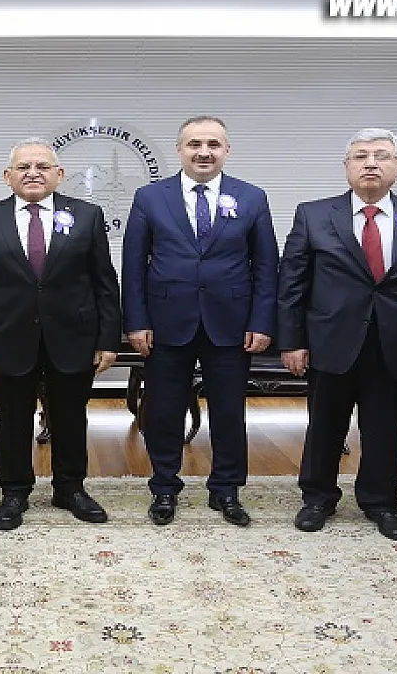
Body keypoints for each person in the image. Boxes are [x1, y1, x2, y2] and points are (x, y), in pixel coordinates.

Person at [277, 128, 397, 540]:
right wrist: (292, 341)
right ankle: (317, 498)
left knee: (384, 429)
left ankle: (381, 503)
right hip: (330, 341)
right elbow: (292, 283)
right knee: (324, 426)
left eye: (381, 156)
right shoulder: (313, 214)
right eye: (360, 156)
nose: (371, 163)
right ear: (347, 166)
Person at [121, 115, 278, 526]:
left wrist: (262, 322)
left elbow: (266, 266)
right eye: (194, 144)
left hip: (232, 324)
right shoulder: (149, 197)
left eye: (213, 144)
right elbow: (133, 266)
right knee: (163, 412)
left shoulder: (252, 197)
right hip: (165, 323)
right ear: (180, 150)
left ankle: (226, 489)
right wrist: (136, 322)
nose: (203, 152)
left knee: (229, 412)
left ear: (227, 150)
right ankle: (164, 488)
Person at [0, 138, 122, 531]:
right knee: (12, 418)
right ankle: (14, 492)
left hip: (73, 336)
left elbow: (104, 281)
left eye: (43, 166)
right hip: (7, 337)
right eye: (23, 167)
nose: (33, 173)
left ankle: (70, 488)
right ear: (7, 176)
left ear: (59, 174)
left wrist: (108, 339)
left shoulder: (87, 215)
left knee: (70, 417)